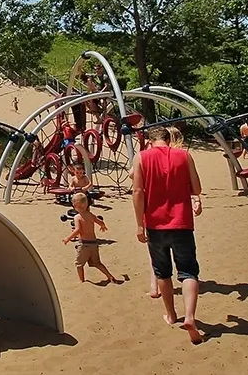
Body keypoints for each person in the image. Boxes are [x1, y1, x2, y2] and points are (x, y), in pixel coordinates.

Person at [131, 126, 204, 345]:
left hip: (155, 223)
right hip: (182, 222)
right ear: (168, 139)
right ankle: (190, 316)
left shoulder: (141, 157)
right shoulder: (184, 155)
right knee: (188, 271)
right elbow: (196, 187)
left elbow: (137, 192)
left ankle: (171, 315)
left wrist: (139, 225)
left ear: (150, 141)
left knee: (162, 272)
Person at [63, 193, 121, 284]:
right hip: (94, 243)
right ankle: (110, 276)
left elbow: (78, 230)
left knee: (79, 265)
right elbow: (100, 221)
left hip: (84, 244)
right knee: (97, 263)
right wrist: (103, 226)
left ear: (74, 205)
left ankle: (82, 281)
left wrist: (68, 238)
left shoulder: (77, 217)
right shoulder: (90, 215)